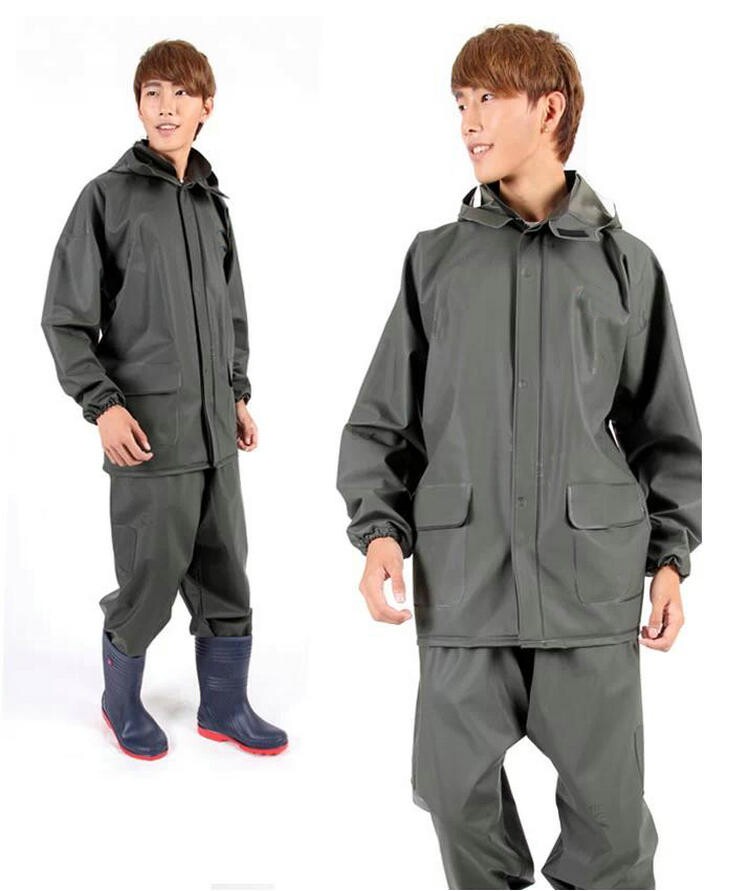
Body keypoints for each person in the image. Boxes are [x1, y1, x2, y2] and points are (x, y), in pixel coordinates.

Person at [336, 23, 701, 889]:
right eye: (460, 102)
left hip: (588, 583)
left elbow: (664, 430)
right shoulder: (436, 260)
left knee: (611, 823)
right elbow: (385, 420)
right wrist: (379, 532)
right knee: (450, 790)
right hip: (467, 577)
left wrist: (670, 557)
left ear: (549, 109)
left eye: (488, 99)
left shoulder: (625, 266)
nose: (467, 120)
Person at [41, 39, 287, 761]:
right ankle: (120, 701)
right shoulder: (106, 198)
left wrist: (236, 394)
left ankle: (224, 706)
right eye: (153, 92)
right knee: (148, 580)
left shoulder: (211, 203)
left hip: (214, 435)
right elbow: (66, 319)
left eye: (181, 93)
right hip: (148, 434)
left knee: (227, 572)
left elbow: (230, 310)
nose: (166, 106)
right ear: (139, 105)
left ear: (206, 106)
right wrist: (103, 405)